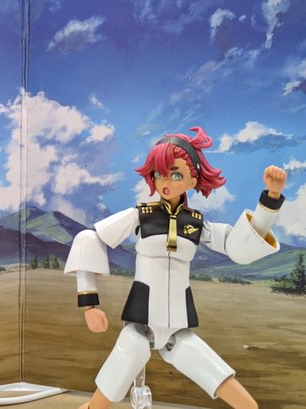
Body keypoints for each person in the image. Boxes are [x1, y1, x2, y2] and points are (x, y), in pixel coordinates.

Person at [64, 127, 286, 409]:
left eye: (176, 174)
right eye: (159, 173)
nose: (166, 181)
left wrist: (270, 201)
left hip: (178, 325)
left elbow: (239, 246)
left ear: (193, 179)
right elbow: (90, 238)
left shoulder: (197, 223)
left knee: (213, 370)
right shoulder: (141, 215)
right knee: (130, 351)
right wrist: (89, 304)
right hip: (141, 318)